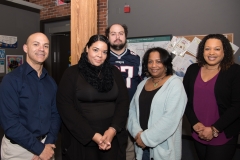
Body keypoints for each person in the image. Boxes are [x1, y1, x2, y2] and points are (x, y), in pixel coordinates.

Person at [56, 34, 129, 160]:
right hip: (81, 140)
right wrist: (93, 135)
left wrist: (112, 130)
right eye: (95, 50)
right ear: (87, 49)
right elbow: (65, 107)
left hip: (111, 138)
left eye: (104, 52)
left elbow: (123, 102)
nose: (100, 55)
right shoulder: (72, 73)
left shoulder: (114, 72)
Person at [0, 32, 61, 160]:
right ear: (25, 48)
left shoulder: (51, 82)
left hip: (47, 145)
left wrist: (48, 144)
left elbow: (55, 115)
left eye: (46, 46)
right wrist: (39, 149)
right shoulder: (11, 80)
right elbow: (10, 124)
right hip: (18, 150)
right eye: (36, 44)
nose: (41, 49)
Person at [183, 34, 240, 160]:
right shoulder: (192, 69)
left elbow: (237, 105)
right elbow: (184, 99)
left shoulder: (235, 71)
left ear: (225, 51)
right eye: (207, 48)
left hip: (223, 132)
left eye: (217, 49)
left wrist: (214, 129)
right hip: (199, 131)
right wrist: (194, 123)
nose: (211, 52)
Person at [127, 47, 187, 160]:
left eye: (158, 61)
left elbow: (170, 119)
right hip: (141, 147)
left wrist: (145, 138)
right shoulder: (142, 84)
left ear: (166, 63)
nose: (154, 65)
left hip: (162, 149)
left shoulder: (175, 85)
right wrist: (137, 133)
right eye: (150, 61)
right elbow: (132, 111)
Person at [105, 23, 141, 160]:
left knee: (130, 148)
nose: (117, 37)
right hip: (109, 111)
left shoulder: (136, 58)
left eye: (120, 33)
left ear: (126, 36)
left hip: (131, 111)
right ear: (108, 37)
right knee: (109, 145)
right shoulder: (102, 58)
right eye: (113, 34)